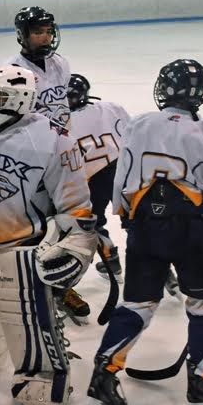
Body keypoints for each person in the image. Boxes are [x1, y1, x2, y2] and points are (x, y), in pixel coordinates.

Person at [84, 59, 203, 405]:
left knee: (137, 304)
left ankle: (103, 381)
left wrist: (127, 217)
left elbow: (121, 176)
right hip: (190, 231)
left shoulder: (138, 124)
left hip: (144, 227)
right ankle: (202, 386)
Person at [0, 65, 97, 405]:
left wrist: (77, 246)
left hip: (23, 248)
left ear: (21, 99)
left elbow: (75, 203)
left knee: (28, 320)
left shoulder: (54, 139)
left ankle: (42, 373)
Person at [3, 6, 89, 321]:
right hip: (29, 163)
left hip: (60, 159)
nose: (45, 37)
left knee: (63, 223)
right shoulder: (10, 70)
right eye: (38, 32)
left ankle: (59, 285)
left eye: (48, 31)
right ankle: (25, 285)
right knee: (33, 226)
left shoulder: (60, 65)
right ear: (23, 36)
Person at [65, 74, 130, 281]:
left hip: (92, 178)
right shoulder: (111, 108)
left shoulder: (59, 123)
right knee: (135, 219)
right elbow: (131, 136)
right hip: (122, 169)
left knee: (92, 222)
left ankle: (112, 263)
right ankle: (161, 268)